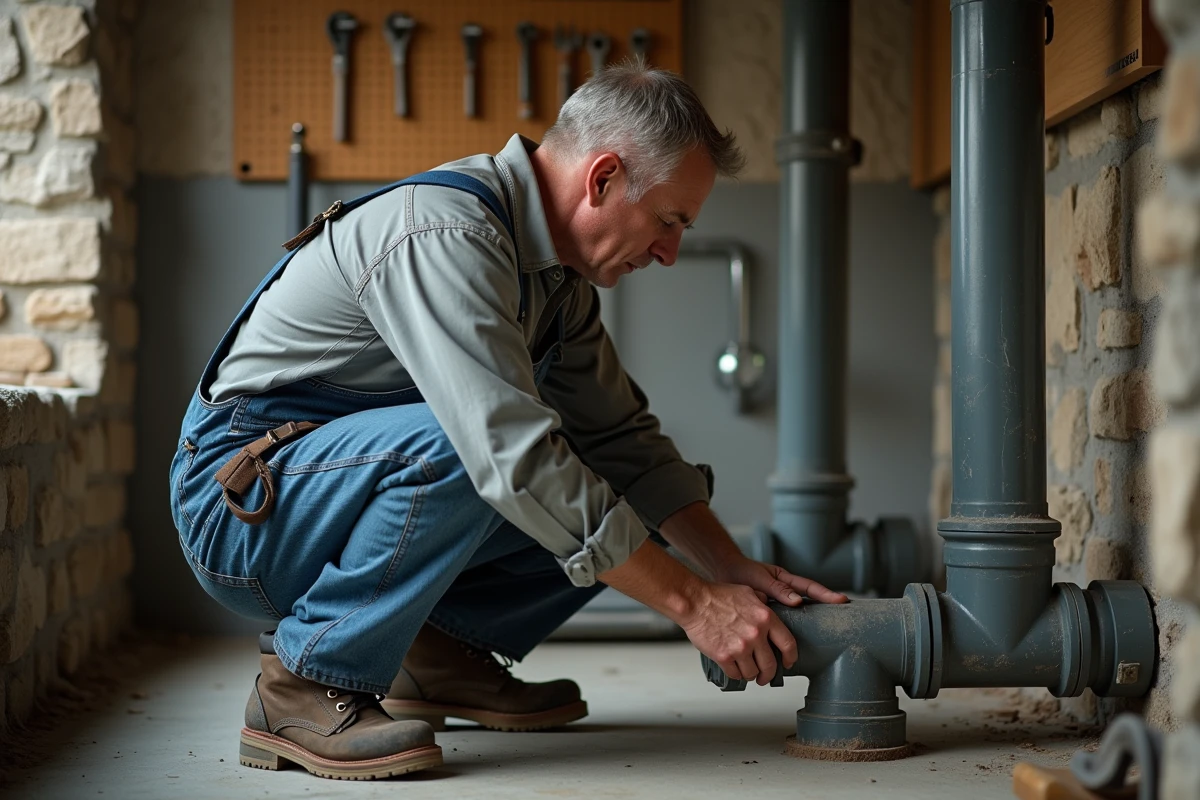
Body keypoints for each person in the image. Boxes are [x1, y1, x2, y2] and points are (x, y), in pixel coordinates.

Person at [168, 63, 847, 782]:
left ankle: (433, 652)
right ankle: (303, 682)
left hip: (327, 488)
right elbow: (506, 453)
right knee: (481, 450)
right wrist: (695, 605)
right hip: (242, 508)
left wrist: (726, 567)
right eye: (668, 220)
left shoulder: (559, 284)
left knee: (630, 502)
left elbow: (624, 444)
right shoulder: (444, 233)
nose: (669, 253)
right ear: (603, 178)